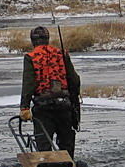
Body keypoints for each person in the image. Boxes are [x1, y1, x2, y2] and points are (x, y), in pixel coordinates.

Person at [19, 26, 80, 157]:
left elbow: (29, 83)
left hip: (43, 108)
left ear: (33, 41)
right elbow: (74, 80)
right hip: (64, 106)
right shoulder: (61, 54)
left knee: (44, 145)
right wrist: (74, 100)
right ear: (47, 39)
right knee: (67, 145)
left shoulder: (31, 57)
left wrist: (24, 107)